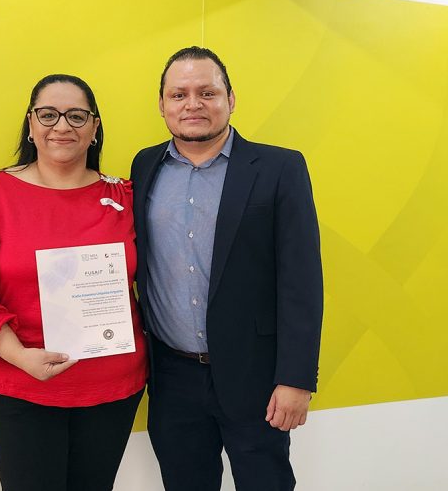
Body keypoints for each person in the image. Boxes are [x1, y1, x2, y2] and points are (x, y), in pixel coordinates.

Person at [130, 46, 324, 491]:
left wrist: (296, 379)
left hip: (255, 377)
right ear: (162, 105)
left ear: (230, 99)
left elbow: (302, 281)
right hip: (172, 377)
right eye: (178, 95)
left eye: (206, 92)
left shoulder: (279, 167)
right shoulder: (145, 166)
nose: (192, 104)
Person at [0, 74, 147, 491]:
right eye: (49, 114)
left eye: (76, 115)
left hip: (113, 388)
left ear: (94, 127)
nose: (62, 126)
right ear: (31, 123)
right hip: (23, 387)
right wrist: (19, 357)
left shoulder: (124, 197)